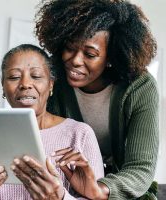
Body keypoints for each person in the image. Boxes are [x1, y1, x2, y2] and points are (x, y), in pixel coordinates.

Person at [35, 0, 159, 199]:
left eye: (90, 54)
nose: (75, 60)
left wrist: (99, 189)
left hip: (119, 188)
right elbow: (38, 137)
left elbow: (141, 167)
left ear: (110, 58)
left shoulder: (140, 87)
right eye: (70, 48)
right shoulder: (53, 79)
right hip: (67, 186)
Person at [0, 44, 104, 200]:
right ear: (3, 87)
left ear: (51, 84)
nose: (25, 84)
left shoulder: (80, 133)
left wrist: (59, 197)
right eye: (14, 77)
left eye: (36, 76)